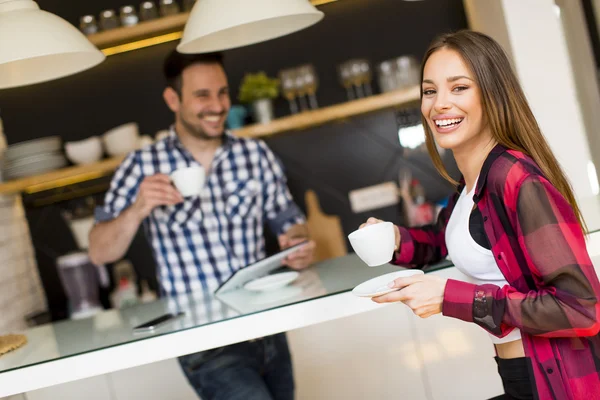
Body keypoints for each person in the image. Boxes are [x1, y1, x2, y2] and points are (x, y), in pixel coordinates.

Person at [359, 30, 600, 400]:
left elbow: (581, 308)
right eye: (429, 91)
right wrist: (394, 238)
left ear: (492, 93)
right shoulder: (474, 183)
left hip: (557, 385)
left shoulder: (517, 180)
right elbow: (444, 241)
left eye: (459, 88)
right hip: (520, 376)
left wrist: (450, 297)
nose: (440, 103)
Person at [88, 49, 316, 400]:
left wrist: (297, 244)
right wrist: (137, 208)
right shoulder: (141, 166)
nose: (218, 105)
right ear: (172, 99)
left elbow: (290, 221)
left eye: (222, 92)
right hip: (204, 343)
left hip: (268, 326)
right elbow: (100, 251)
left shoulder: (254, 154)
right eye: (202, 95)